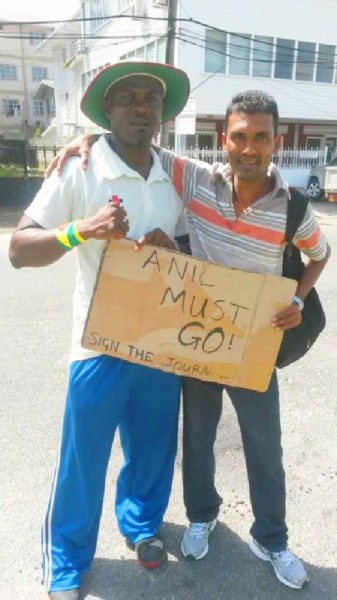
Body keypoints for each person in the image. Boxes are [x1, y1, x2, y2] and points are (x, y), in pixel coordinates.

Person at [47, 90, 330, 591]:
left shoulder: (295, 207)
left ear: (276, 142)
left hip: (253, 347)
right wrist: (85, 137)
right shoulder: (197, 180)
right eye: (239, 136)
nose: (249, 148)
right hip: (196, 344)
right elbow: (136, 141)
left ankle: (272, 538)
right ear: (225, 140)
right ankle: (203, 516)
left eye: (260, 137)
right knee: (197, 439)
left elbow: (318, 256)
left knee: (265, 446)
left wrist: (300, 300)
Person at [9, 60, 191, 600]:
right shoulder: (80, 168)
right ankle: (65, 559)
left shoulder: (176, 172)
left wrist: (173, 247)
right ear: (107, 110)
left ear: (161, 114)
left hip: (158, 343)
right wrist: (79, 229)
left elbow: (192, 247)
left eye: (151, 99)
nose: (141, 106)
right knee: (82, 459)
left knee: (155, 448)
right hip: (98, 343)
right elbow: (19, 249)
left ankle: (140, 526)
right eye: (128, 97)